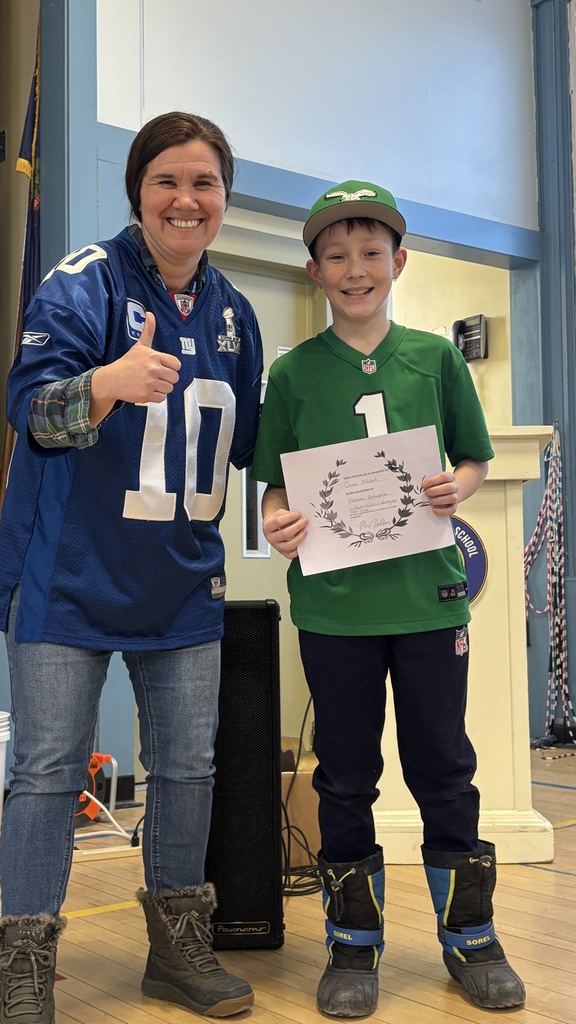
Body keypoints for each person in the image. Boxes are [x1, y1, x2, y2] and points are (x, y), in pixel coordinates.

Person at [0, 111, 263, 1023]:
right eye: (168, 182)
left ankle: (177, 949)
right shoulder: (84, 282)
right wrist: (106, 383)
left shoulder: (236, 312)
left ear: (224, 198)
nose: (187, 200)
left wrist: (295, 507)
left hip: (183, 581)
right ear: (139, 193)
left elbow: (254, 453)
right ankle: (22, 960)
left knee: (188, 768)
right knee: (46, 768)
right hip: (68, 575)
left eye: (205, 183)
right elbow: (32, 414)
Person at [250, 181, 526, 1019]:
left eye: (372, 253)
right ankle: (353, 943)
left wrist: (457, 487)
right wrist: (279, 524)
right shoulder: (292, 374)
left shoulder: (436, 359)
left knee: (445, 766)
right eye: (336, 255)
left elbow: (472, 460)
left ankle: (470, 937)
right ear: (314, 272)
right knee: (345, 775)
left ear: (399, 262)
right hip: (335, 612)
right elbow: (269, 493)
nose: (355, 268)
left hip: (430, 599)